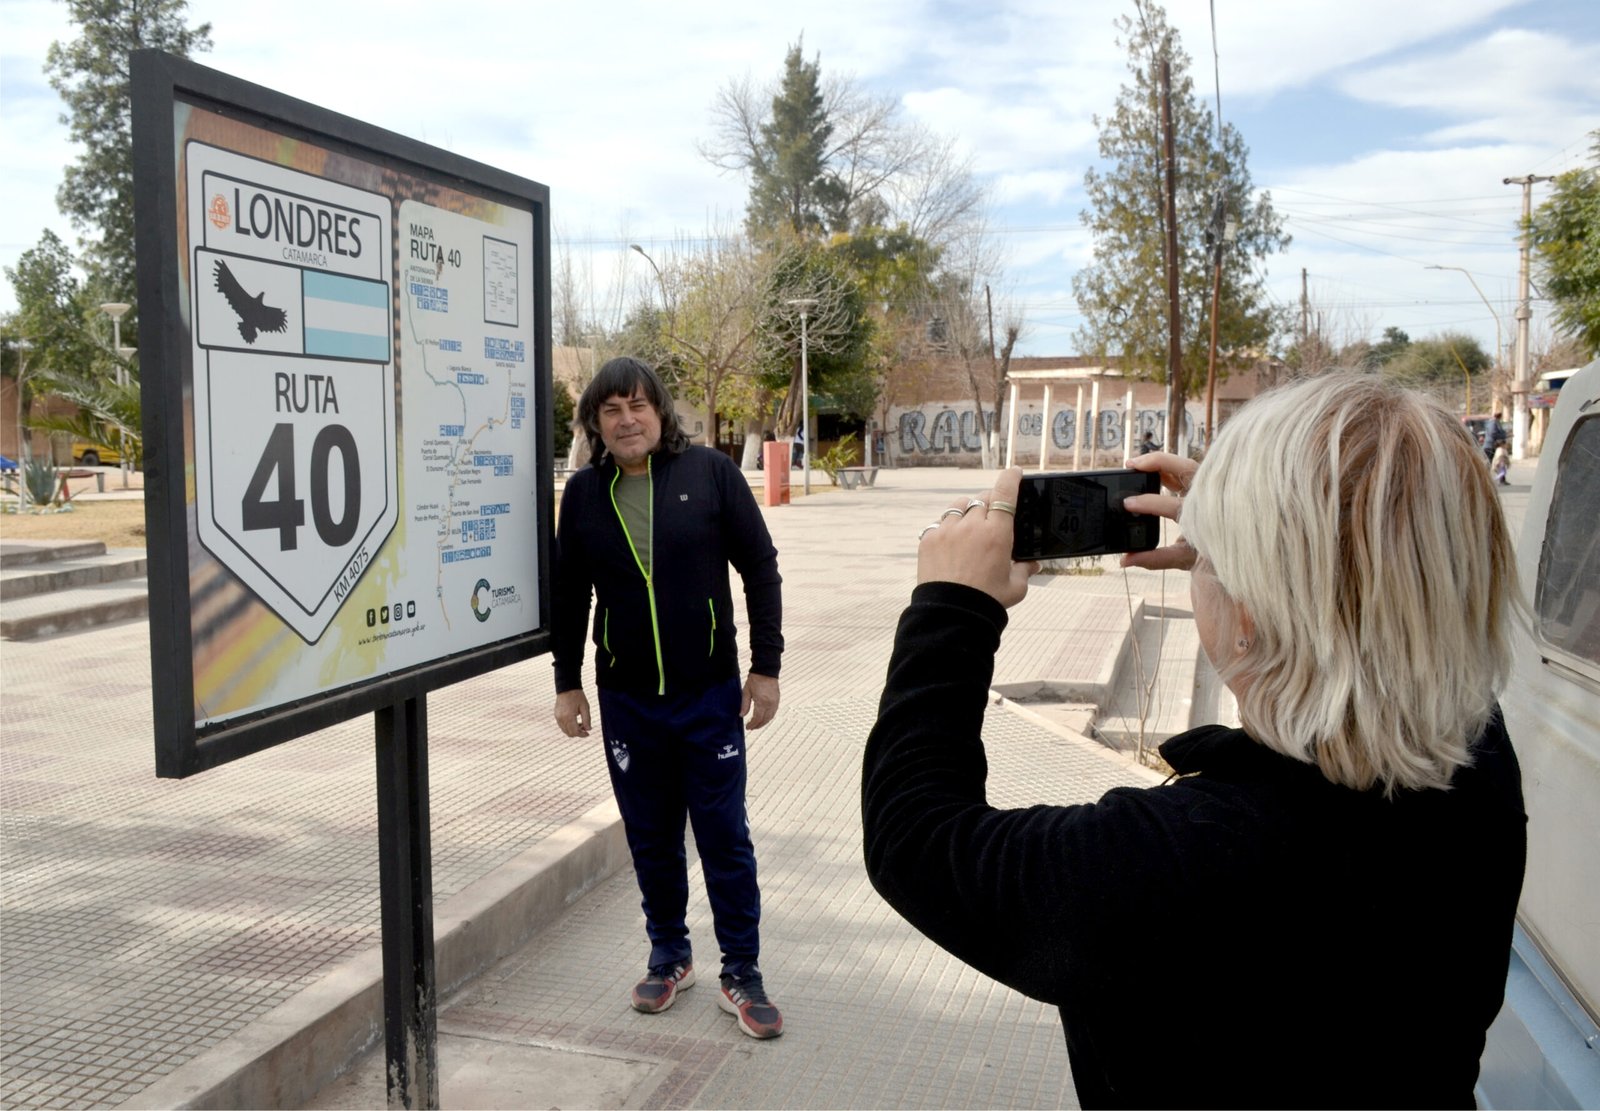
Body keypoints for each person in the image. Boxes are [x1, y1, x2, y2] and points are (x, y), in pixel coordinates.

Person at [862, 373, 1524, 1106]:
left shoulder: (1178, 861)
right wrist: (1264, 538)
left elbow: (915, 839)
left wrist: (950, 608)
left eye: (1210, 558)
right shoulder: (1480, 765)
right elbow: (1401, 607)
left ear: (1249, 611)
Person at [553, 357, 786, 1039]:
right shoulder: (585, 495)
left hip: (708, 694)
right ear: (596, 424)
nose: (626, 420)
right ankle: (669, 953)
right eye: (611, 411)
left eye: (637, 405)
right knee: (651, 836)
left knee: (723, 835)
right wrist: (566, 681)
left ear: (660, 411)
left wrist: (765, 667)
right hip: (627, 699)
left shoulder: (710, 473)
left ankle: (741, 969)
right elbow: (570, 597)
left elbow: (761, 566)